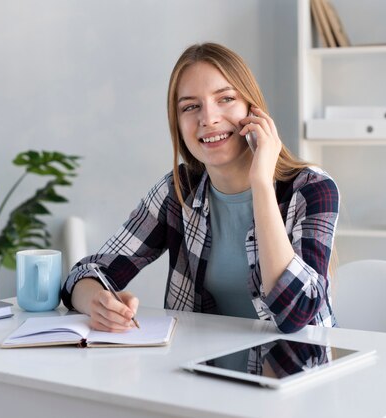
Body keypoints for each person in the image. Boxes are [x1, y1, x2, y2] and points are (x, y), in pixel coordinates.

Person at [61, 42, 339, 334]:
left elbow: (295, 314)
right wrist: (97, 302)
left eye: (225, 99)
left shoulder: (312, 189)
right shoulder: (178, 190)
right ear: (178, 124)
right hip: (198, 373)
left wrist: (261, 184)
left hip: (298, 372)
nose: (208, 118)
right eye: (191, 107)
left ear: (253, 109)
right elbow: (84, 274)